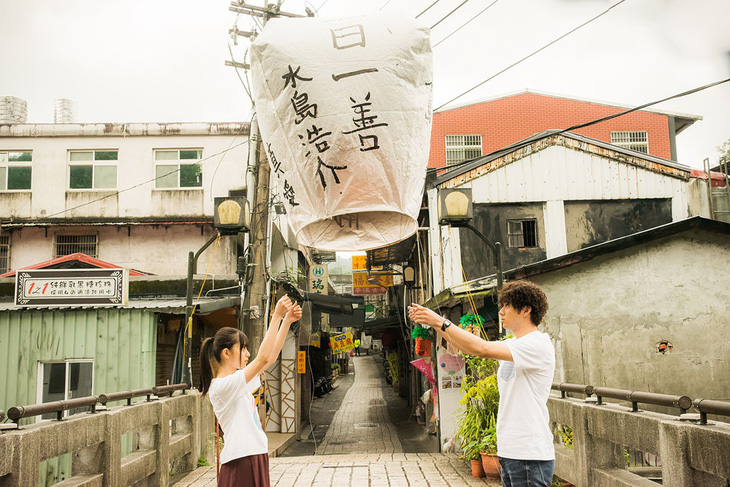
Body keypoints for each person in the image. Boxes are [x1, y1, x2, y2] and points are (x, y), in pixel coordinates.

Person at [408, 280, 555, 487]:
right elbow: (467, 347)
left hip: (529, 453)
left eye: (507, 306)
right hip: (512, 451)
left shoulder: (536, 344)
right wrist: (434, 323)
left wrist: (440, 321)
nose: (501, 312)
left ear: (526, 310)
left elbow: (481, 348)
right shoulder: (514, 343)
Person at [199, 295, 302, 487]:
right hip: (242, 459)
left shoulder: (238, 380)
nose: (247, 354)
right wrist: (276, 317)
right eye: (243, 348)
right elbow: (262, 359)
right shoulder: (222, 386)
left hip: (252, 455)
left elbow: (269, 359)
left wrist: (286, 321)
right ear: (227, 353)